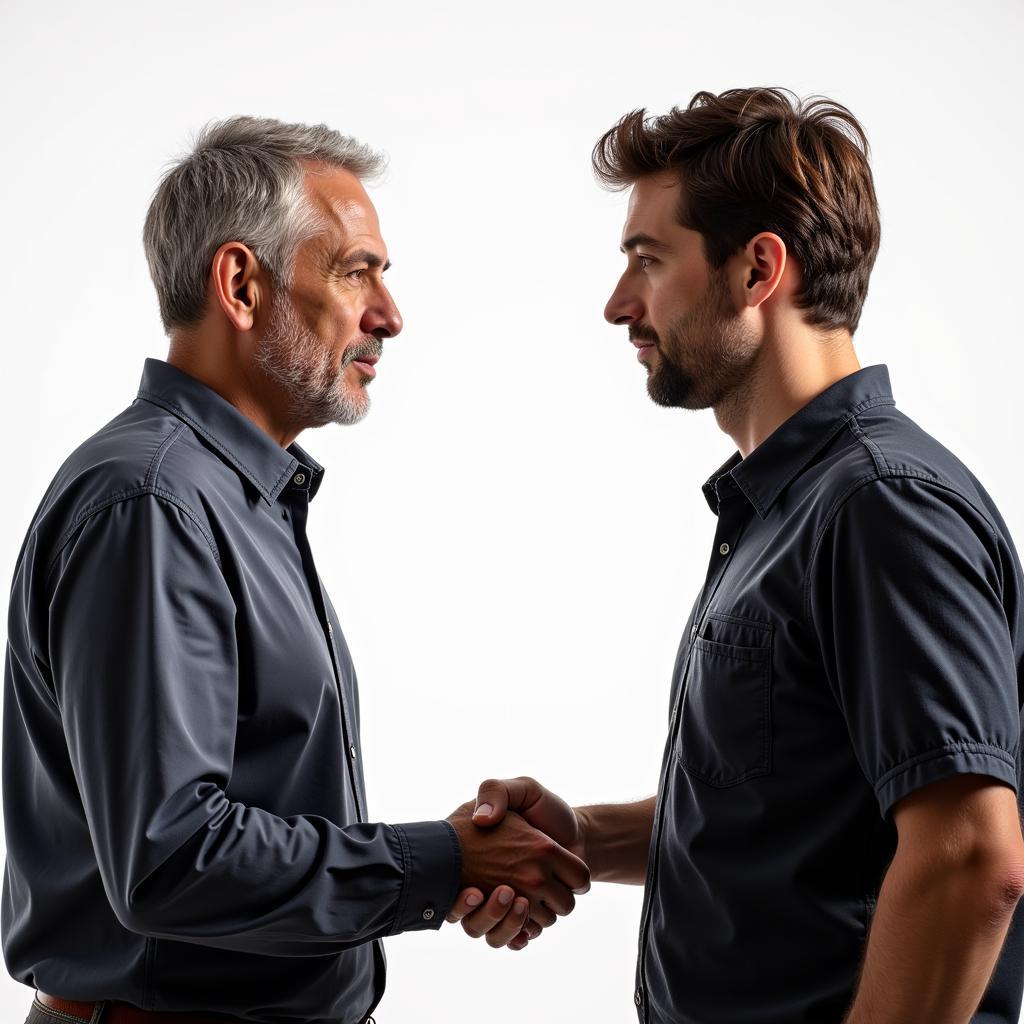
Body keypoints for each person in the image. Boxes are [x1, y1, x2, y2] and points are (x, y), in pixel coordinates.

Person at [0, 116, 588, 1024]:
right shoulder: (154, 505)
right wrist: (442, 863)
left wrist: (448, 865)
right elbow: (171, 857)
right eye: (356, 271)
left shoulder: (233, 498)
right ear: (240, 282)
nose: (389, 315)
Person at [458, 87, 1024, 1023]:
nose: (618, 304)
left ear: (760, 267)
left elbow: (971, 853)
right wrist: (584, 839)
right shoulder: (791, 508)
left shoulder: (882, 506)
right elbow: (795, 820)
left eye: (648, 260)